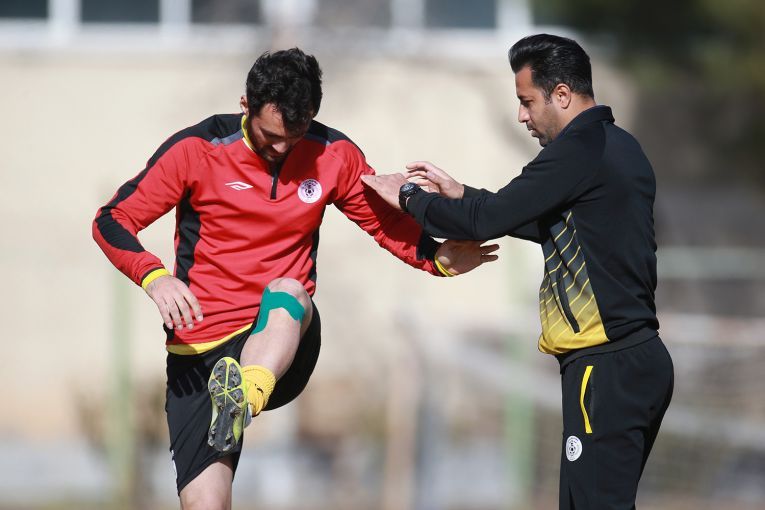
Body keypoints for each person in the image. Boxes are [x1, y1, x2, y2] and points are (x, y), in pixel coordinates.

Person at [92, 48, 498, 509]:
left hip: (282, 341)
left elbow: (383, 221)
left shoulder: (334, 155)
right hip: (200, 349)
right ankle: (229, 402)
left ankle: (243, 396)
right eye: (270, 135)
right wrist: (156, 278)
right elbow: (112, 219)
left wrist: (437, 257)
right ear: (245, 105)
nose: (283, 148)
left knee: (287, 290)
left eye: (296, 134)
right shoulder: (197, 149)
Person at [361, 34, 674, 510]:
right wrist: (461, 193)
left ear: (562, 95)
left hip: (605, 368)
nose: (522, 116)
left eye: (527, 101)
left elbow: (485, 222)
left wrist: (408, 196)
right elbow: (538, 219)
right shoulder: (618, 146)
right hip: (632, 363)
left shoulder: (579, 149)